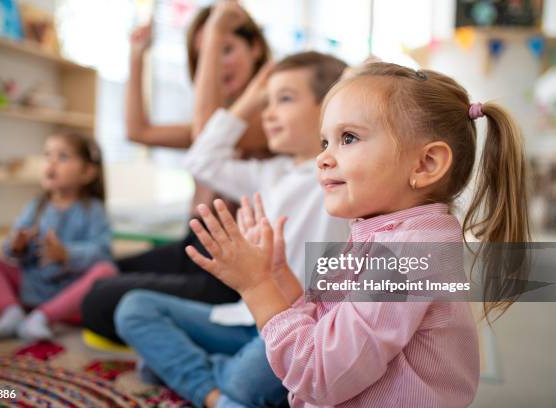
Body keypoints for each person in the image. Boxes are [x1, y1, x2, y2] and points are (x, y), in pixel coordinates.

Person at [186, 62, 530, 407]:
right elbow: (327, 328)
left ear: (425, 165)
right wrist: (277, 274)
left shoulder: (408, 253)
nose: (322, 157)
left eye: (348, 138)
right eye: (325, 142)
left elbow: (320, 375)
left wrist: (256, 286)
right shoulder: (386, 234)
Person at [114, 52, 350, 408]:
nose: (267, 112)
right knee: (134, 308)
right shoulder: (269, 172)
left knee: (244, 384)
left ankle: (191, 374)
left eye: (284, 99)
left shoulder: (338, 175)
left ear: (331, 105)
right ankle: (213, 394)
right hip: (242, 316)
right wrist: (252, 97)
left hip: (295, 325)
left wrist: (349, 90)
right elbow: (201, 160)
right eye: (265, 102)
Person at [82, 1, 272, 344]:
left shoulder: (270, 120)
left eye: (224, 50)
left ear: (255, 48)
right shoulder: (220, 121)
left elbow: (207, 135)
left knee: (97, 299)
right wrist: (137, 56)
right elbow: (138, 131)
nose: (212, 66)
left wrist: (215, 28)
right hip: (195, 245)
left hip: (226, 274)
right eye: (203, 58)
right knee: (101, 271)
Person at [0, 133, 116, 342]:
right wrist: (17, 246)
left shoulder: (93, 210)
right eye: (47, 155)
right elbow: (12, 250)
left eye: (63, 157)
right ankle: (11, 313)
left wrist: (67, 254)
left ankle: (42, 317)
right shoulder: (36, 206)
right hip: (30, 286)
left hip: (67, 295)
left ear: (87, 172)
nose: (51, 162)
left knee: (107, 271)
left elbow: (103, 252)